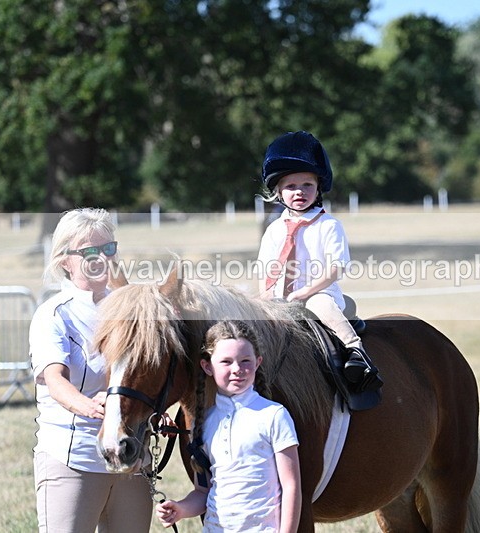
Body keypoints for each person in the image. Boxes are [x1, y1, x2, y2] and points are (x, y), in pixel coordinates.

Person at [30, 207, 153, 533]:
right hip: (74, 458)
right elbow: (55, 379)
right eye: (88, 251)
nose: (100, 258)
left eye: (108, 248)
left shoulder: (131, 307)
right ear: (64, 261)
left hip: (131, 459)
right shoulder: (54, 314)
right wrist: (90, 406)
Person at [256, 130, 382, 393]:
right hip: (281, 298)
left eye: (307, 185)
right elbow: (265, 270)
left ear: (318, 188)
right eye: (291, 186)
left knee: (320, 304)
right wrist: (265, 298)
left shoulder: (328, 225)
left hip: (319, 292)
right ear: (278, 191)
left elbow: (336, 268)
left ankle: (354, 349)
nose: (299, 192)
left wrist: (306, 291)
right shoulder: (274, 230)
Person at [156, 320, 302, 532]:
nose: (237, 369)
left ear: (258, 362)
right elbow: (203, 492)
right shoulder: (203, 422)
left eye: (245, 361)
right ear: (207, 366)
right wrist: (180, 509)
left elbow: (291, 487)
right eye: (226, 361)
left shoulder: (274, 415)